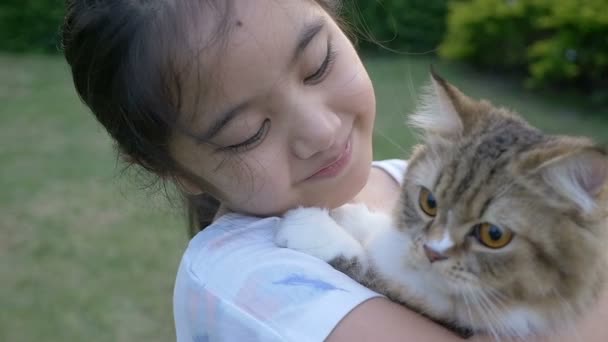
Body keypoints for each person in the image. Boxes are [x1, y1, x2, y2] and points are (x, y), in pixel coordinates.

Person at [61, 0, 608, 341]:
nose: (322, 132)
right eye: (246, 131)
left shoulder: (411, 184)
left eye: (319, 63)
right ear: (173, 167)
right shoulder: (244, 284)